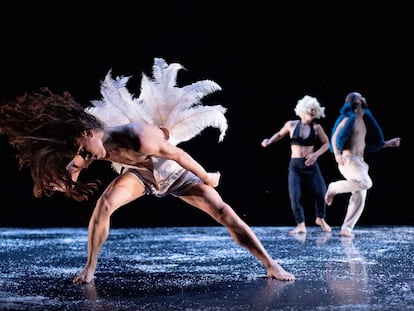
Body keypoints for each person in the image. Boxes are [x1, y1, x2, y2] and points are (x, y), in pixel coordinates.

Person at [0, 59, 295, 283]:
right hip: (141, 176)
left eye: (83, 149)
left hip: (173, 172)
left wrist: (206, 177)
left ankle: (270, 264)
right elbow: (73, 170)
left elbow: (179, 155)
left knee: (224, 212)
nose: (83, 156)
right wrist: (63, 183)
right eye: (80, 153)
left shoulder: (139, 136)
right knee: (104, 205)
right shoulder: (88, 147)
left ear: (91, 132)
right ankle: (90, 267)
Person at [325, 91, 401, 238]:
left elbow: (363, 146)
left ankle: (346, 228)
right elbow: (335, 136)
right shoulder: (349, 118)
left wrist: (386, 144)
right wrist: (337, 154)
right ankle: (333, 187)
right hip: (348, 159)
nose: (365, 98)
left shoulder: (363, 120)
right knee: (366, 182)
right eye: (362, 97)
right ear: (358, 101)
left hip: (359, 161)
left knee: (360, 193)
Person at [261, 95, 331, 234]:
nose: (312, 111)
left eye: (314, 109)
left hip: (311, 164)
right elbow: (280, 135)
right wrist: (269, 141)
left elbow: (326, 144)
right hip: (296, 165)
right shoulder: (291, 125)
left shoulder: (317, 128)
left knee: (320, 191)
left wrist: (315, 155)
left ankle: (320, 218)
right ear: (303, 109)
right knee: (295, 195)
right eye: (310, 108)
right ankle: (300, 224)